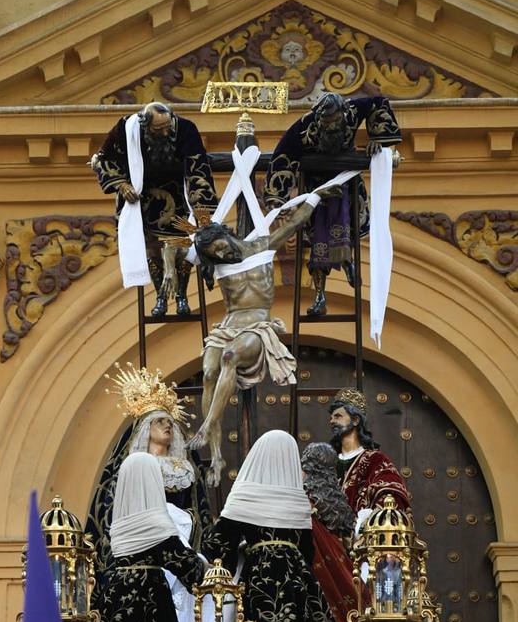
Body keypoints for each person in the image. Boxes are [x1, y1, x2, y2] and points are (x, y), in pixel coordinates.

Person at [185, 185, 331, 485]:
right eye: (215, 254)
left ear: (226, 234)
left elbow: (293, 223)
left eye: (221, 247)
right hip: (228, 325)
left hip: (256, 324)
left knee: (229, 358)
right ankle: (216, 455)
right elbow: (170, 248)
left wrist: (316, 197)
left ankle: (207, 425)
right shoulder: (215, 265)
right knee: (209, 371)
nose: (223, 254)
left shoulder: (262, 246)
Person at [86, 364, 212, 622]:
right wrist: (213, 573)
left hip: (117, 596)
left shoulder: (122, 529)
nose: (167, 425)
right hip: (153, 596)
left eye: (169, 421)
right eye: (158, 421)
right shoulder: (156, 528)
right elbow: (186, 565)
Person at [263, 92, 401, 315]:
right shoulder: (303, 127)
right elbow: (283, 156)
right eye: (326, 122)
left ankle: (348, 262)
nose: (331, 125)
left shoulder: (354, 110)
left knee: (348, 226)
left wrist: (378, 140)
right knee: (319, 242)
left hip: (346, 182)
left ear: (343, 114)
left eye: (335, 120)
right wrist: (275, 199)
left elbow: (378, 101)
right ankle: (319, 296)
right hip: (316, 190)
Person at [203, 430, 337, 622]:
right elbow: (307, 552)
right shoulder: (299, 500)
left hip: (259, 573)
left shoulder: (245, 495)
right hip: (295, 576)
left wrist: (238, 555)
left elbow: (217, 544)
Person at [91, 101, 217, 316]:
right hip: (141, 199)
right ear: (145, 126)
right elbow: (103, 159)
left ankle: (181, 296)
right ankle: (161, 297)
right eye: (159, 130)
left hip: (178, 197)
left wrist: (201, 208)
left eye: (168, 126)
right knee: (152, 250)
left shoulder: (185, 129)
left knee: (183, 249)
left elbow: (198, 168)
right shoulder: (126, 129)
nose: (166, 132)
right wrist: (122, 185)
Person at [103, 453, 205, 622]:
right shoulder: (155, 523)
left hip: (116, 596)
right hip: (149, 598)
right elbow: (187, 566)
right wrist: (208, 566)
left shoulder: (119, 524)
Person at [329, 387, 410, 533]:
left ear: (355, 420)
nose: (332, 421)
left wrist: (367, 520)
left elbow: (391, 492)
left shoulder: (375, 460)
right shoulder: (327, 461)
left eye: (338, 416)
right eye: (331, 417)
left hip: (360, 541)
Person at [300, 442, 359, 622]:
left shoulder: (306, 499)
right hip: (344, 565)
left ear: (309, 467)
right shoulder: (337, 498)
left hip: (320, 567)